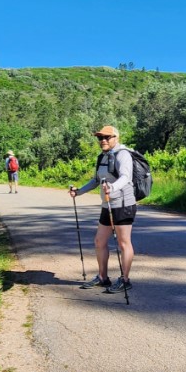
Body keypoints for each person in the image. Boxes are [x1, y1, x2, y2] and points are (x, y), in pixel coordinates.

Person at [69, 125, 136, 293]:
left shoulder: (123, 154)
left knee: (123, 242)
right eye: (100, 138)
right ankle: (102, 278)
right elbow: (96, 180)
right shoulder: (102, 157)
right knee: (100, 241)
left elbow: (125, 177)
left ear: (116, 137)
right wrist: (79, 192)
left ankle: (125, 280)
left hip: (123, 204)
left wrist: (112, 188)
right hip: (107, 205)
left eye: (107, 137)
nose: (103, 140)